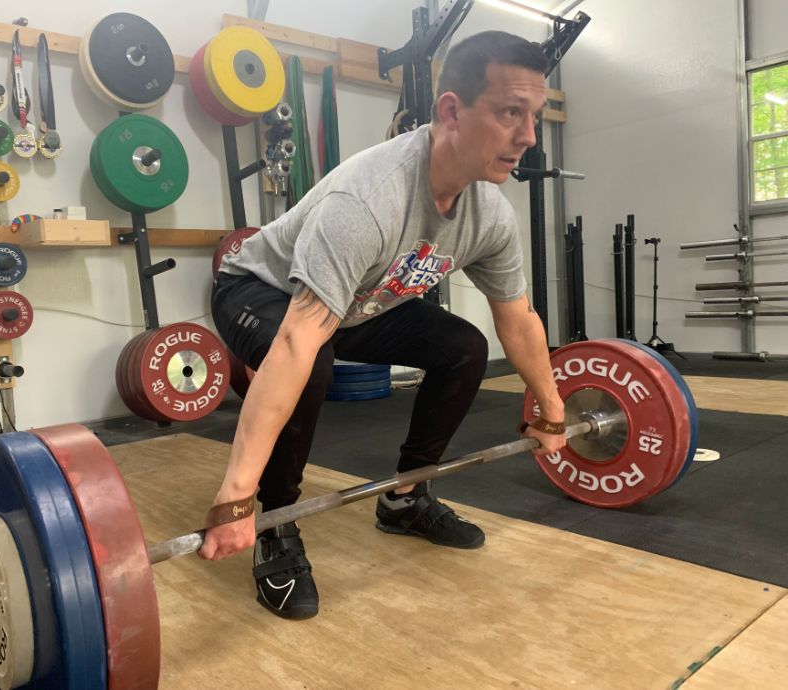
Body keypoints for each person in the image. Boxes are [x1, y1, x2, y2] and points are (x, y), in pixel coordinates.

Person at [202, 30, 567, 620]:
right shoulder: (369, 199)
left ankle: (405, 498)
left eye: (534, 116)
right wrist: (236, 494)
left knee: (464, 347)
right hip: (261, 290)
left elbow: (519, 320)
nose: (528, 136)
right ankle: (275, 522)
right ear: (452, 110)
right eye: (510, 113)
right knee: (312, 357)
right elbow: (297, 340)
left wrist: (551, 406)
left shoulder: (489, 216)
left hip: (357, 304)